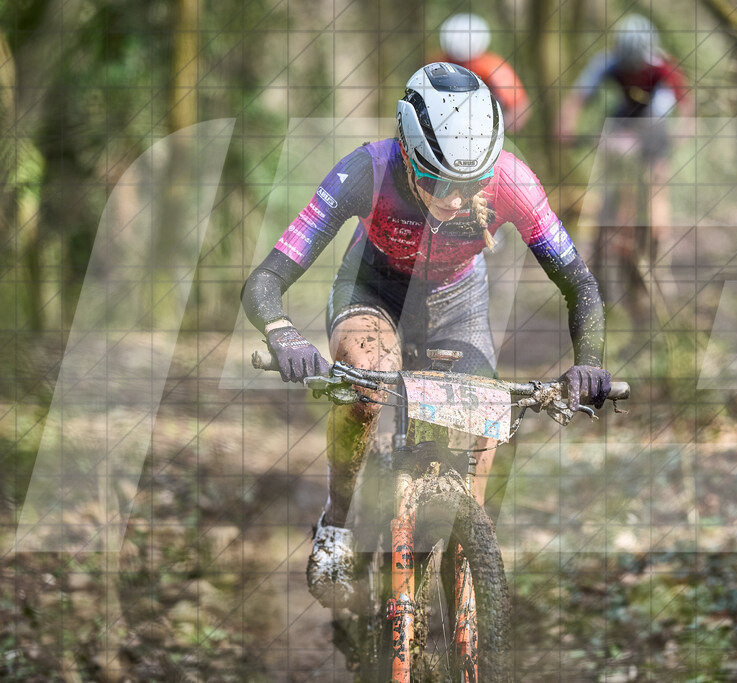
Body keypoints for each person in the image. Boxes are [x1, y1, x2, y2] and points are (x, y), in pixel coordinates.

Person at [241, 62, 611, 608]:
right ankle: (338, 521)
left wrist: (591, 360)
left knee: (483, 422)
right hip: (373, 291)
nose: (456, 199)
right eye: (438, 181)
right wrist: (282, 332)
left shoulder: (514, 181)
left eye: (471, 183)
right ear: (407, 153)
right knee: (366, 379)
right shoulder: (365, 171)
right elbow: (269, 276)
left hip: (455, 302)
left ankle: (469, 580)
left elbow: (578, 279)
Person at [557, 13, 691, 319]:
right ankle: (600, 250)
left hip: (655, 123)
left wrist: (680, 135)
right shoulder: (608, 62)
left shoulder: (662, 67)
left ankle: (658, 256)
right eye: (629, 67)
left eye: (638, 67)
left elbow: (686, 107)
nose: (633, 72)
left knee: (657, 185)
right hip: (623, 121)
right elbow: (578, 98)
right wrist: (565, 127)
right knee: (606, 182)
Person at [437, 12, 531, 132]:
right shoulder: (438, 63)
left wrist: (496, 128)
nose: (462, 66)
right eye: (455, 61)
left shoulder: (493, 68)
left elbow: (519, 107)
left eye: (468, 62)